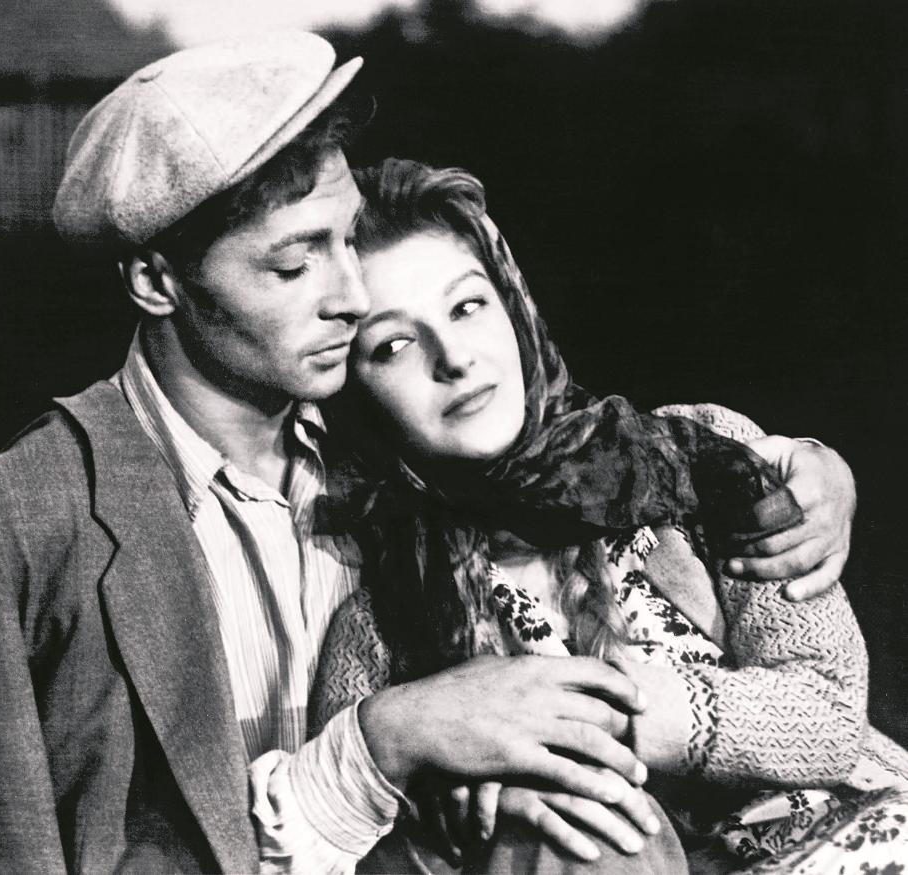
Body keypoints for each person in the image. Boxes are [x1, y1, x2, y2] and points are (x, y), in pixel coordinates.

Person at [0, 35, 857, 874]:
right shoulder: (1, 533)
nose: (351, 298)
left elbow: (609, 453)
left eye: (348, 241)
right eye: (293, 262)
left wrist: (803, 473)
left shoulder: (402, 457)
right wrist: (383, 746)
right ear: (155, 281)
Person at [311, 158, 908, 873]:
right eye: (393, 345)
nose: (455, 359)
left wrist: (604, 717)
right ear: (353, 390)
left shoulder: (698, 456)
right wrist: (469, 798)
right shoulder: (379, 621)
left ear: (513, 306)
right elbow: (359, 833)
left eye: (467, 306)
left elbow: (829, 715)